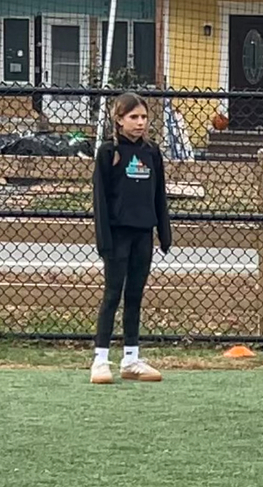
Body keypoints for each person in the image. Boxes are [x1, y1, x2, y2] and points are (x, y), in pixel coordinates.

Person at [90, 91, 171, 384]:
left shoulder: (152, 152)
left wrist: (164, 232)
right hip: (117, 235)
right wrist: (104, 240)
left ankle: (131, 359)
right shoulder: (108, 152)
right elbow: (99, 198)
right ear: (119, 119)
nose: (140, 123)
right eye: (133, 117)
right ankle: (100, 360)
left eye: (144, 117)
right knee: (113, 294)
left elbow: (159, 194)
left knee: (135, 295)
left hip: (143, 234)